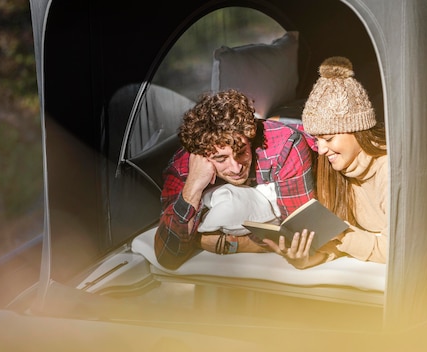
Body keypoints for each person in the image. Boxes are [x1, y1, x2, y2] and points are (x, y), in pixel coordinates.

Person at [154, 89, 317, 270]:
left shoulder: (284, 146)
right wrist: (192, 187)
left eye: (241, 152)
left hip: (301, 116)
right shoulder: (181, 167)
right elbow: (167, 256)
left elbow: (300, 236)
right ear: (201, 156)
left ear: (250, 138)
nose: (236, 167)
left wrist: (236, 244)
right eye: (221, 159)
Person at [264, 56, 388, 269]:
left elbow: (397, 249)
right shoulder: (337, 169)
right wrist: (309, 257)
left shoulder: (390, 169)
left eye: (329, 139)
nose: (321, 149)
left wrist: (341, 234)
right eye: (317, 139)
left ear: (358, 130)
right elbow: (339, 247)